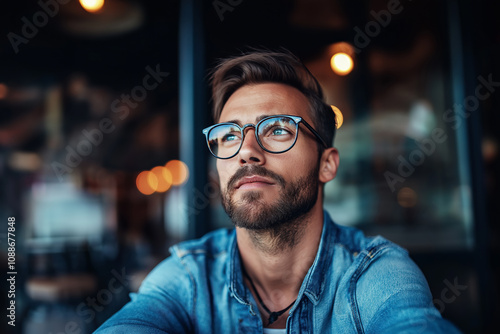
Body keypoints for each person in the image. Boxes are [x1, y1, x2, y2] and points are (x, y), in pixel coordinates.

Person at [95, 50, 460, 333]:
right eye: (229, 136)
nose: (246, 151)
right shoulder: (188, 278)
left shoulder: (373, 274)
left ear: (327, 164)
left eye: (279, 130)